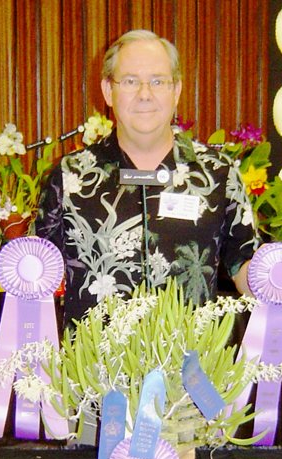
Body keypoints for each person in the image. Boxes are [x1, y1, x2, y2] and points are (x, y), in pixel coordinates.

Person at [36, 29, 260, 325]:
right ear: (107, 91)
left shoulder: (218, 173)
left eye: (158, 81)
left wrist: (273, 277)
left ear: (176, 90)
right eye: (130, 81)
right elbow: (37, 275)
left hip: (189, 365)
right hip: (95, 367)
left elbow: (242, 264)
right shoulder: (69, 176)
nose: (145, 94)